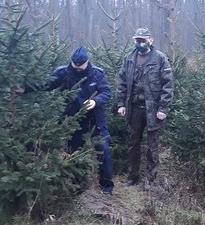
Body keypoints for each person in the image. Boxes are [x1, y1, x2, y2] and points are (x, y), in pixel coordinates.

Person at [17, 46, 114, 195]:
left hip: (95, 119)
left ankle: (107, 187)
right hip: (73, 121)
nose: (78, 69)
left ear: (87, 62)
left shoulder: (97, 74)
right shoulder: (63, 73)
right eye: (75, 66)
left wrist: (95, 101)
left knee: (104, 149)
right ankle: (78, 186)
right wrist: (25, 89)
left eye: (81, 66)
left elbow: (106, 92)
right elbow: (45, 84)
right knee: (74, 152)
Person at [116, 27, 174, 190]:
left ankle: (150, 179)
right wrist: (121, 104)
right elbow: (121, 82)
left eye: (142, 40)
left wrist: (163, 108)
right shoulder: (129, 58)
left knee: (152, 145)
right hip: (134, 108)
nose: (140, 43)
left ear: (150, 40)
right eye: (137, 40)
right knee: (133, 143)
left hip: (153, 110)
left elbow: (168, 85)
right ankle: (132, 176)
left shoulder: (160, 58)